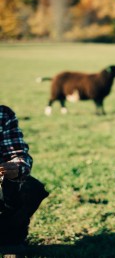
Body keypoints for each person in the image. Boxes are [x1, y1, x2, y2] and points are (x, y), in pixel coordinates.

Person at [0, 105, 49, 256]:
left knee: (30, 189)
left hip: (2, 186)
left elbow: (19, 154)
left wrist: (16, 168)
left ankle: (9, 240)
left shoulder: (3, 115)